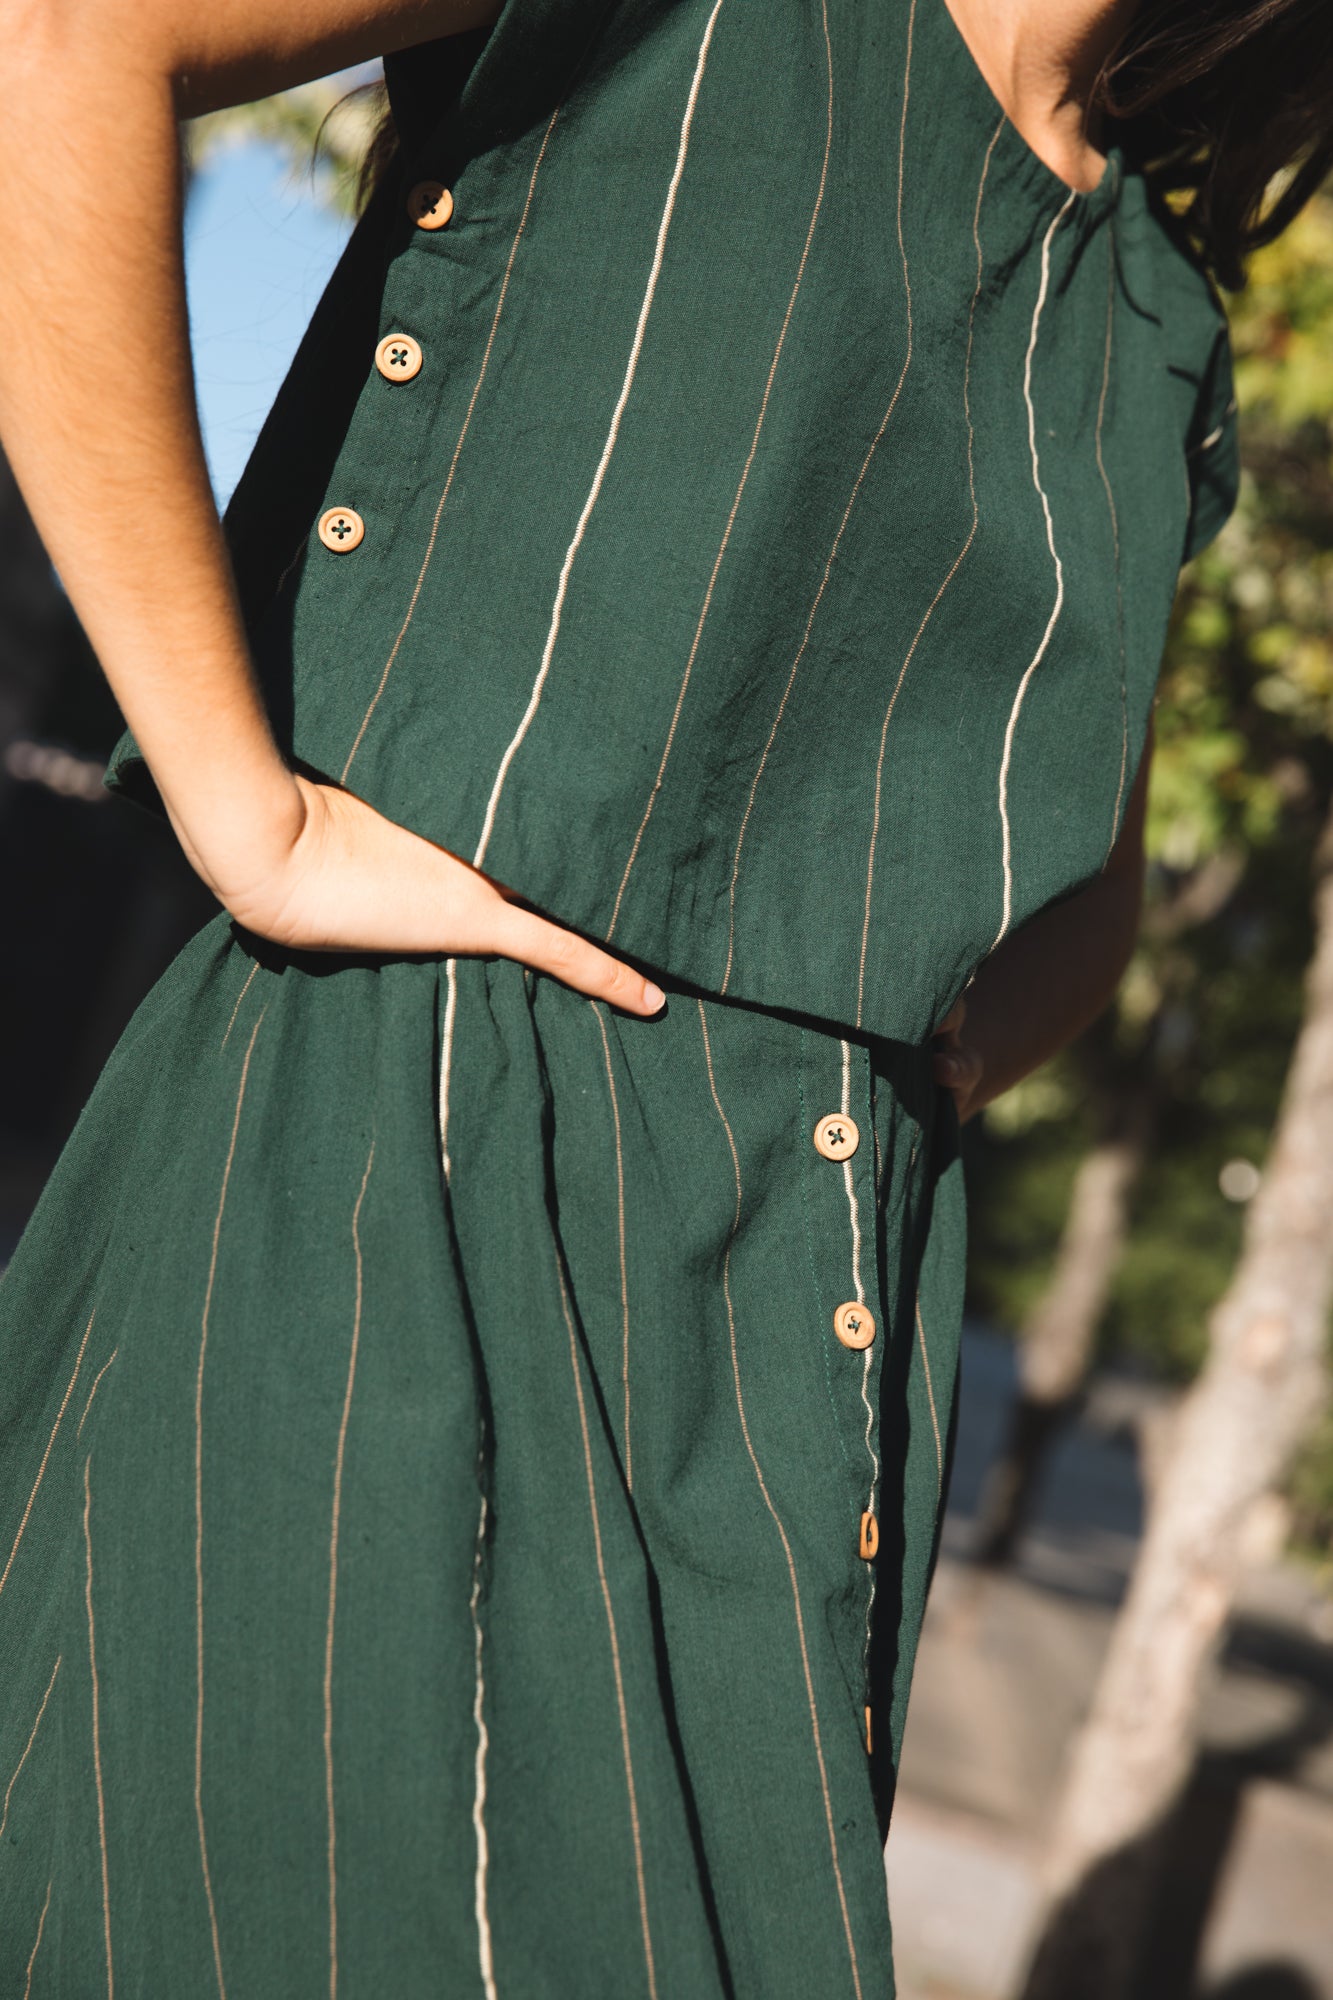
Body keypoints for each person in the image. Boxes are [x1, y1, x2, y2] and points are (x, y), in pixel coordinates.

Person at [0, 0, 1327, 1992]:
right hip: (392, 1189)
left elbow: (1086, 873)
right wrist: (235, 796)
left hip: (793, 1364)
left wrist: (889, 1080)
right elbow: (69, 51)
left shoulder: (1149, 313)